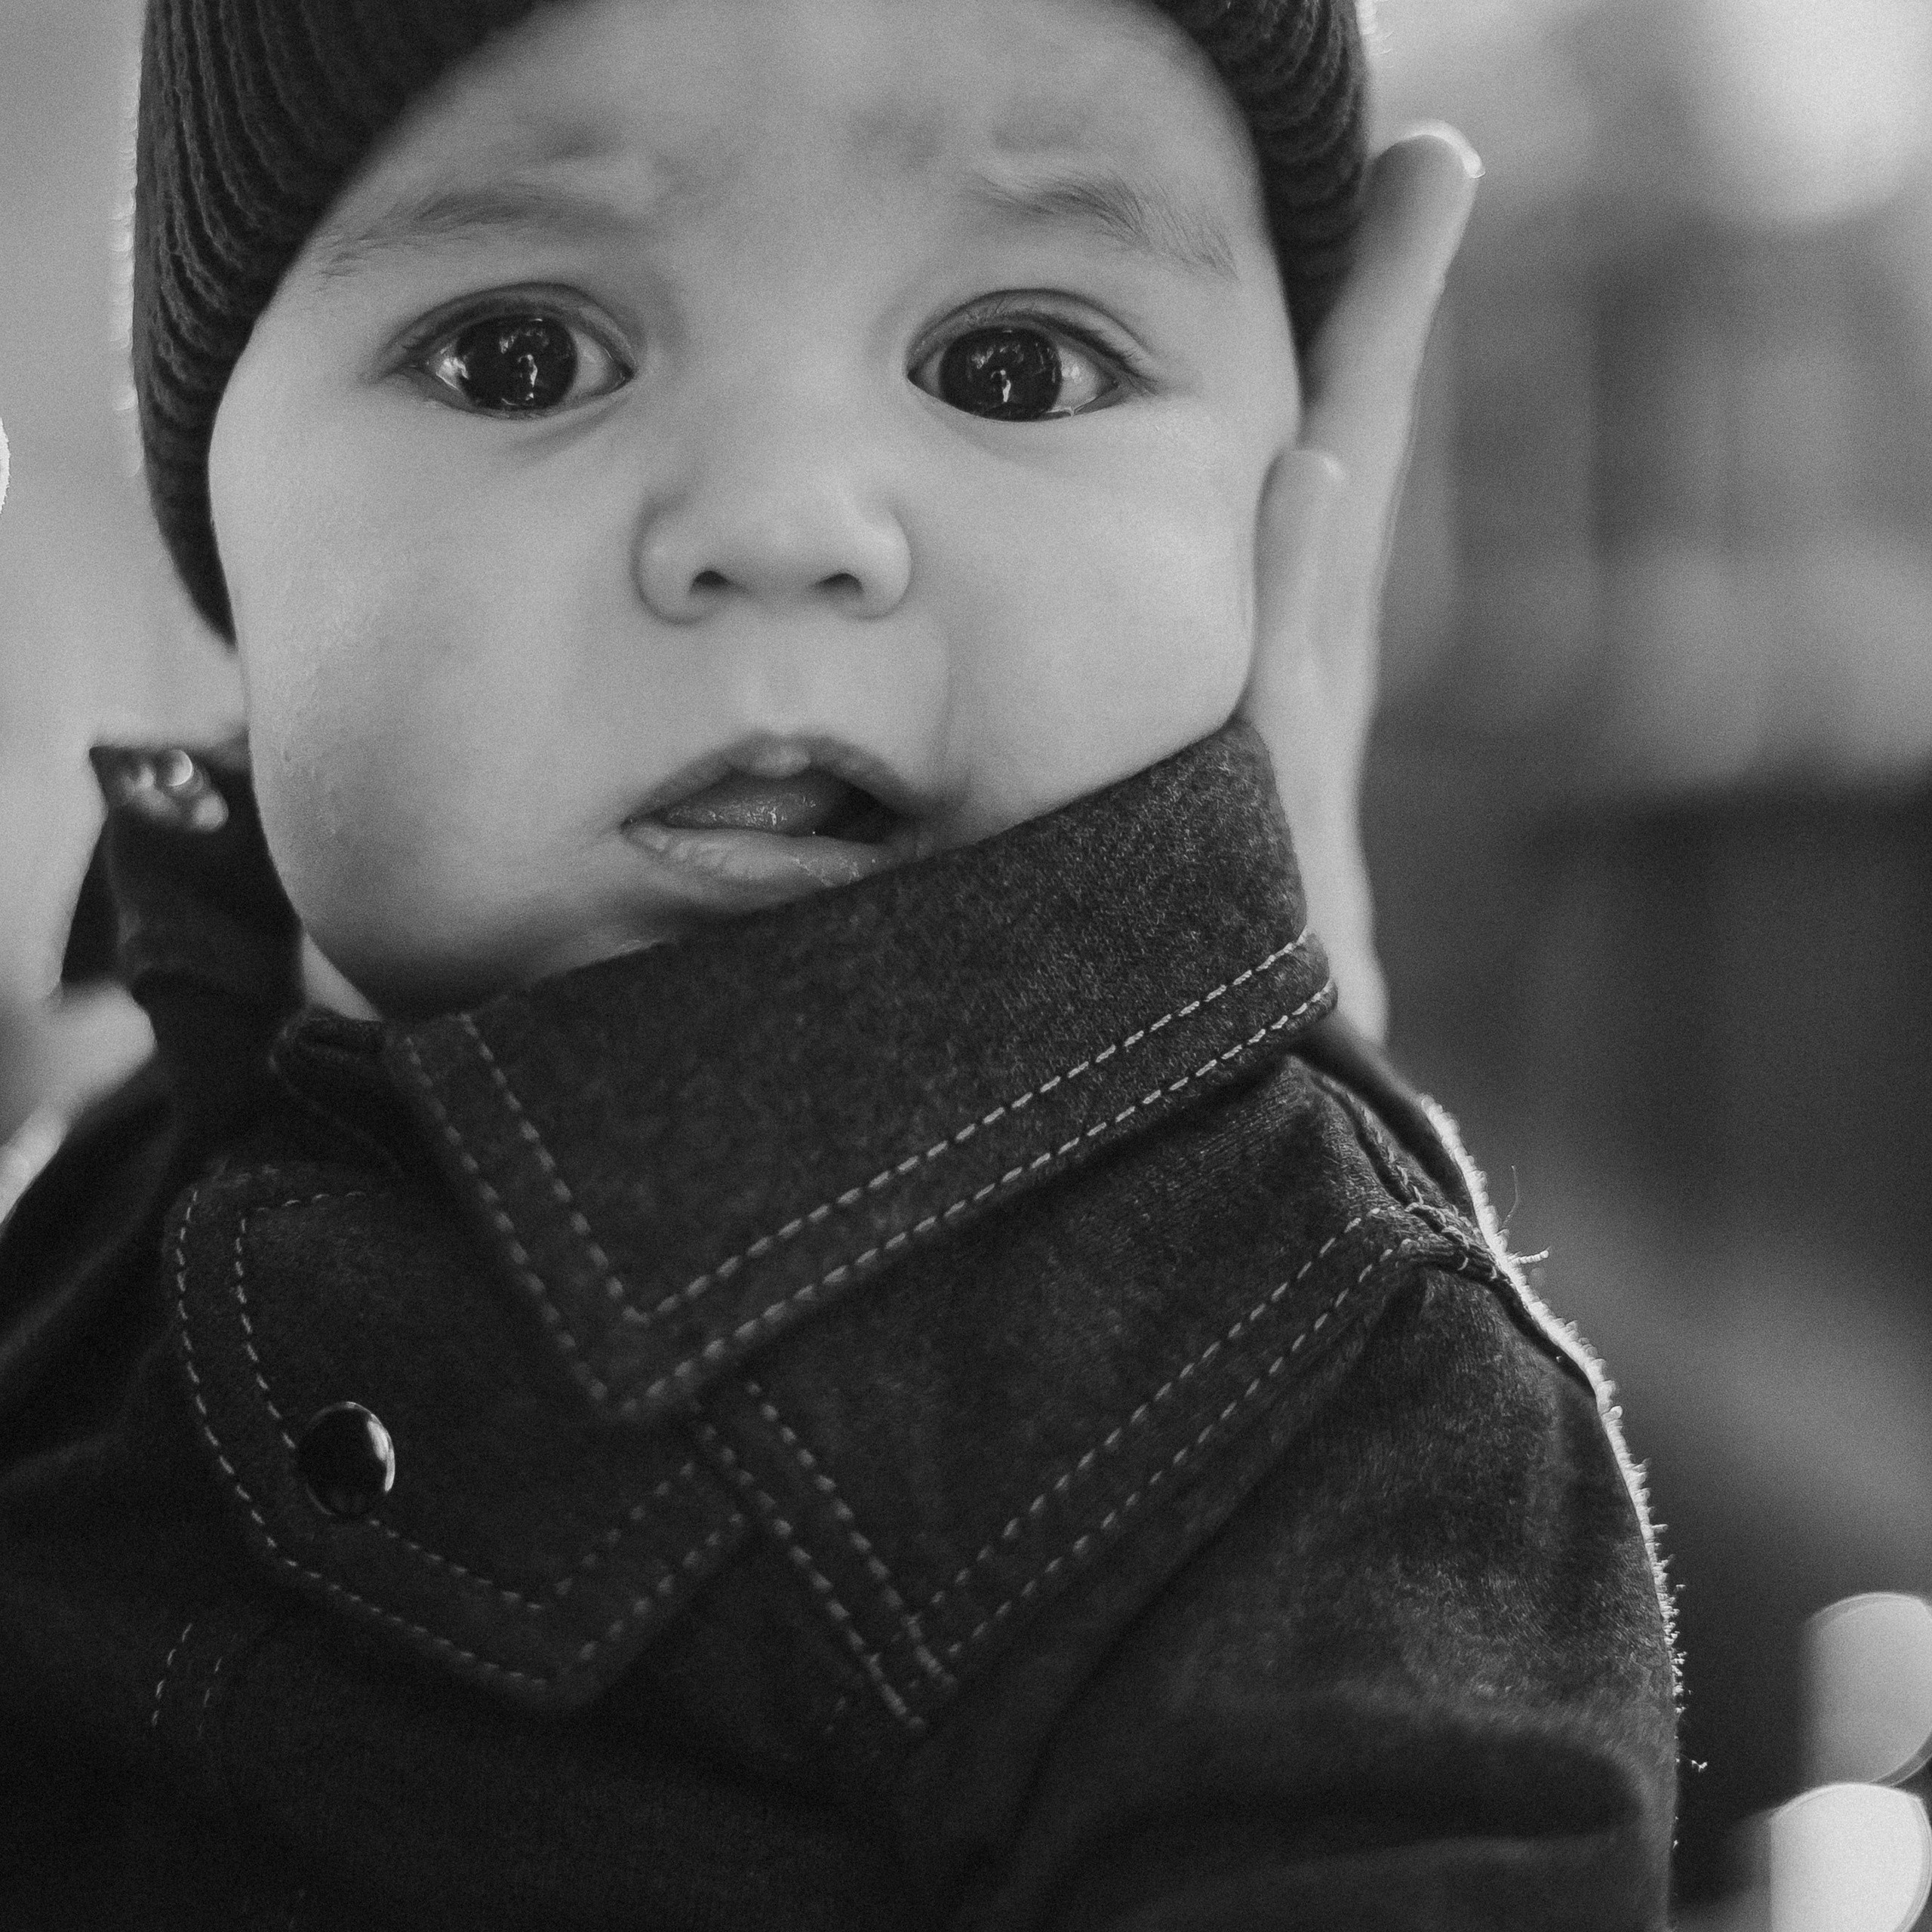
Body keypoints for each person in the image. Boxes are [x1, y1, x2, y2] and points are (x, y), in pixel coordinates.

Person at [0, 0, 1678, 1925]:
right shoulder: (112, 1161)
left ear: (1276, 505)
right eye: (519, 353)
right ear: (212, 507)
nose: (786, 525)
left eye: (1015, 365)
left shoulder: (1279, 1390)